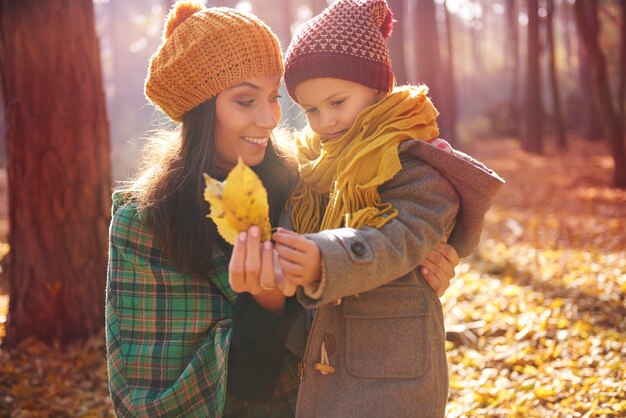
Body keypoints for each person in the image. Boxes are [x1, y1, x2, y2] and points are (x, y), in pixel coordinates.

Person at [105, 2, 459, 417]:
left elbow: (378, 249)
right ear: (199, 109)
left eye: (273, 97)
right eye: (245, 100)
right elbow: (151, 396)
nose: (270, 118)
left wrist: (415, 272)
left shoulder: (303, 181)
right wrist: (266, 305)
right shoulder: (144, 221)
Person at [264, 0, 501, 416]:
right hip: (322, 360)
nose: (325, 122)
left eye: (338, 102)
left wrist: (326, 255)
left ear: (377, 89)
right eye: (311, 110)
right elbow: (292, 228)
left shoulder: (415, 161)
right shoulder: (312, 169)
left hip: (392, 372)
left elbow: (404, 234)